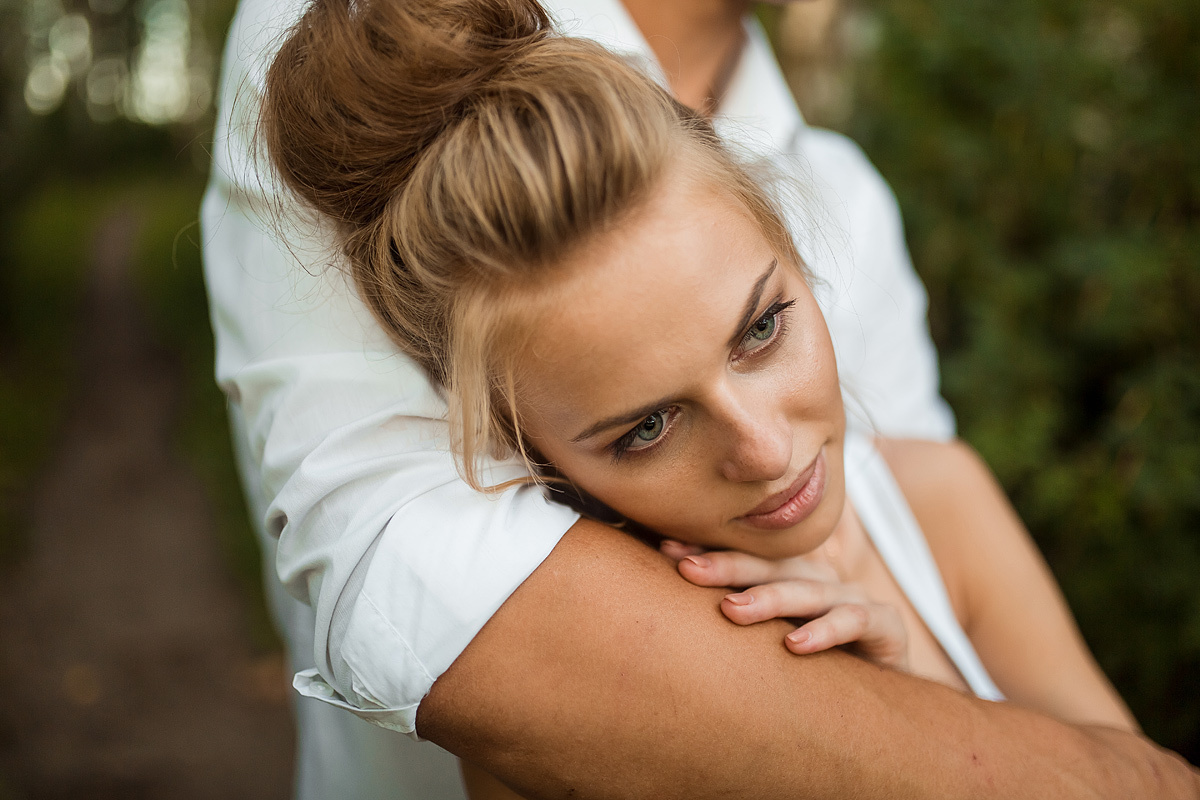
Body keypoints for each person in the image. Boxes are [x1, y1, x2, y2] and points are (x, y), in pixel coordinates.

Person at [202, 0, 1200, 798]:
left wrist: (923, 691)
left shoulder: (942, 500)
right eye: (645, 426)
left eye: (763, 328)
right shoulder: (558, 721)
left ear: (799, 251)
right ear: (536, 459)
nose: (765, 449)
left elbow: (1118, 763)